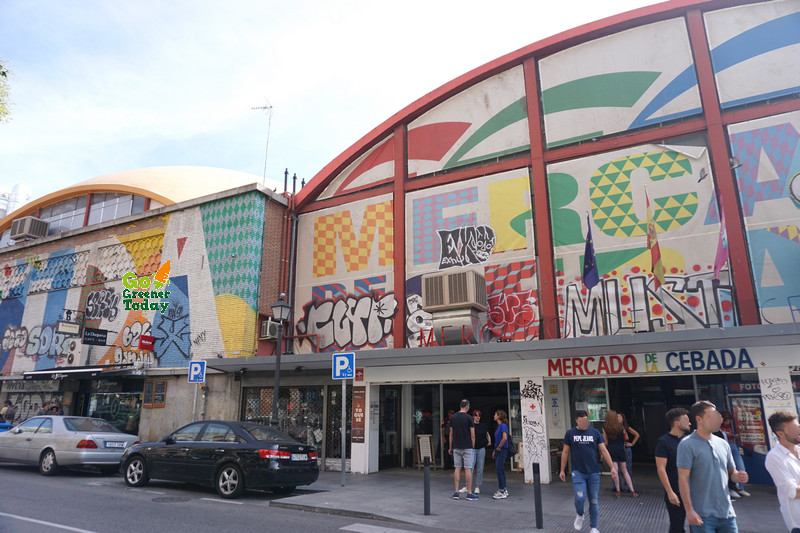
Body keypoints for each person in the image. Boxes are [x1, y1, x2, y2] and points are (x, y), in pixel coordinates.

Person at [677, 400, 747, 532]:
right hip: (702, 515)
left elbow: (731, 472)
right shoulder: (687, 445)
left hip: (727, 513)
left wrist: (738, 476)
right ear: (699, 419)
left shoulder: (723, 443)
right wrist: (689, 510)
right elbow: (683, 479)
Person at [559, 409, 615, 533]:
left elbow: (604, 451)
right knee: (580, 498)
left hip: (593, 472)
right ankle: (580, 514)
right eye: (581, 421)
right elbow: (565, 452)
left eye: (586, 421)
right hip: (578, 472)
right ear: (576, 421)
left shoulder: (595, 433)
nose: (584, 423)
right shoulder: (570, 433)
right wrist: (562, 470)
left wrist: (612, 467)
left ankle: (593, 527)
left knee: (594, 500)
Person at [656, 407, 691, 533]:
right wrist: (670, 491)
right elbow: (661, 468)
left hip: (693, 491)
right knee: (677, 526)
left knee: (698, 525)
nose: (690, 423)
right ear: (677, 423)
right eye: (686, 420)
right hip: (676, 490)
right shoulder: (663, 442)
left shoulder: (690, 440)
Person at [764, 410, 800, 532]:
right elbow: (793, 492)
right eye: (795, 430)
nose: (799, 431)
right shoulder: (775, 457)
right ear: (781, 434)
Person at [603, 409, 637, 498]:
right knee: (625, 470)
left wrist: (603, 452)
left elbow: (605, 441)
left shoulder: (605, 427)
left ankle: (618, 491)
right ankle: (632, 491)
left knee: (615, 471)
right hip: (621, 449)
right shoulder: (621, 427)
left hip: (611, 450)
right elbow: (625, 437)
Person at [449, 399, 477, 500]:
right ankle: (469, 493)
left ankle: (456, 492)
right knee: (468, 469)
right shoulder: (469, 418)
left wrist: (450, 447)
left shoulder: (453, 417)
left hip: (456, 446)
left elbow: (451, 434)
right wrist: (473, 446)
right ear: (467, 407)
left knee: (457, 468)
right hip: (467, 446)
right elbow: (472, 435)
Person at [459, 410, 491, 495]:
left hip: (481, 448)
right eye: (476, 415)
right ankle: (467, 486)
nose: (478, 417)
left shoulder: (483, 425)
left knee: (480, 468)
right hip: (471, 448)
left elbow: (487, 434)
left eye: (479, 415)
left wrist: (489, 441)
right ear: (472, 416)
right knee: (470, 468)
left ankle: (477, 486)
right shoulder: (470, 425)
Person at [719, 411, 750, 499]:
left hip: (732, 443)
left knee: (740, 466)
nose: (727, 423)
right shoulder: (717, 428)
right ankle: (731, 489)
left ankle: (740, 487)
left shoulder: (731, 426)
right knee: (728, 468)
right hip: (725, 444)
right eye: (725, 421)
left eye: (728, 421)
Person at [492, 410, 511, 499]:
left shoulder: (503, 426)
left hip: (502, 450)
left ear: (499, 416)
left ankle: (502, 490)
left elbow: (504, 438)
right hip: (498, 449)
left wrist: (499, 447)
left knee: (499, 470)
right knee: (499, 470)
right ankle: (503, 489)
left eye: (495, 414)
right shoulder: (499, 426)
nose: (494, 416)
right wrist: (495, 450)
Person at [619, 412, 640, 492]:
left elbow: (637, 434)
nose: (618, 419)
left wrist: (632, 443)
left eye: (619, 417)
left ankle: (627, 486)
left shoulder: (626, 427)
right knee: (617, 469)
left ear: (623, 419)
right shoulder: (614, 428)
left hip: (625, 448)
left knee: (627, 468)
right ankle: (618, 487)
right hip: (618, 449)